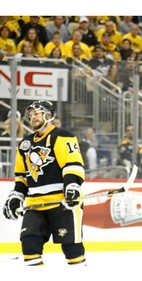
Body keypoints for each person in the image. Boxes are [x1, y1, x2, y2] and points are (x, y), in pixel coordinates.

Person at [2, 100, 86, 266]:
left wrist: (72, 186)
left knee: (72, 251)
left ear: (49, 115)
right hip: (35, 205)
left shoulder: (62, 136)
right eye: (30, 115)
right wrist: (16, 196)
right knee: (30, 248)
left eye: (36, 113)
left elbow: (72, 164)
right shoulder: (25, 144)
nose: (32, 117)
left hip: (62, 203)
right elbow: (22, 176)